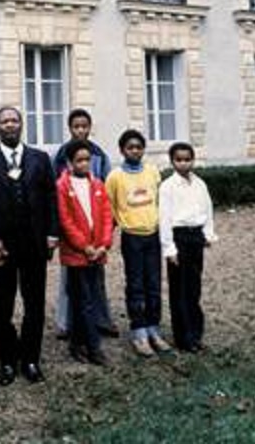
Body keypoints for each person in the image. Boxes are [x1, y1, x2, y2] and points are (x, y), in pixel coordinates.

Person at [0, 106, 58, 385]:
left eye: (14, 120)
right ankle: (7, 361)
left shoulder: (40, 159)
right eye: (4, 121)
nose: (10, 125)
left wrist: (52, 233)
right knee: (2, 305)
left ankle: (31, 359)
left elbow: (50, 199)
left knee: (34, 304)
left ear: (22, 125)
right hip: (2, 247)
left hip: (34, 244)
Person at [52, 108, 118, 341]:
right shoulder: (61, 155)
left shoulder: (99, 154)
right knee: (69, 280)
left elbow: (106, 190)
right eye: (76, 126)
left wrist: (105, 233)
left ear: (90, 127)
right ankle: (66, 323)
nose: (80, 130)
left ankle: (101, 319)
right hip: (72, 230)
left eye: (84, 126)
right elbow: (55, 192)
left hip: (95, 228)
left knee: (97, 277)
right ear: (70, 128)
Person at [105, 129, 171, 357]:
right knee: (136, 285)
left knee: (153, 284)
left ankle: (154, 328)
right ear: (122, 150)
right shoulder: (115, 177)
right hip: (132, 237)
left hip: (152, 234)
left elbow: (160, 200)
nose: (135, 151)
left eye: (139, 147)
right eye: (130, 147)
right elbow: (110, 206)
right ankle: (139, 331)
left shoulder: (153, 171)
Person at [56, 140, 113, 366]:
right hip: (77, 253)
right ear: (69, 162)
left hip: (97, 251)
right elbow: (66, 220)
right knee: (83, 299)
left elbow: (107, 217)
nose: (84, 164)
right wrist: (83, 245)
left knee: (88, 298)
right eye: (79, 160)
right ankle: (93, 347)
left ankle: (77, 343)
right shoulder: (62, 186)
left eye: (87, 160)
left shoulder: (98, 184)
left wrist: (103, 244)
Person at [159, 142, 217, 353]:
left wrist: (208, 234)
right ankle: (183, 338)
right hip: (178, 237)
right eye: (179, 160)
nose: (183, 163)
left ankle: (196, 333)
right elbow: (164, 219)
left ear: (193, 160)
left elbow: (207, 209)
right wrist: (169, 249)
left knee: (194, 287)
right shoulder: (167, 187)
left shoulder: (200, 184)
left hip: (195, 237)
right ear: (172, 161)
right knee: (179, 290)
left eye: (187, 159)